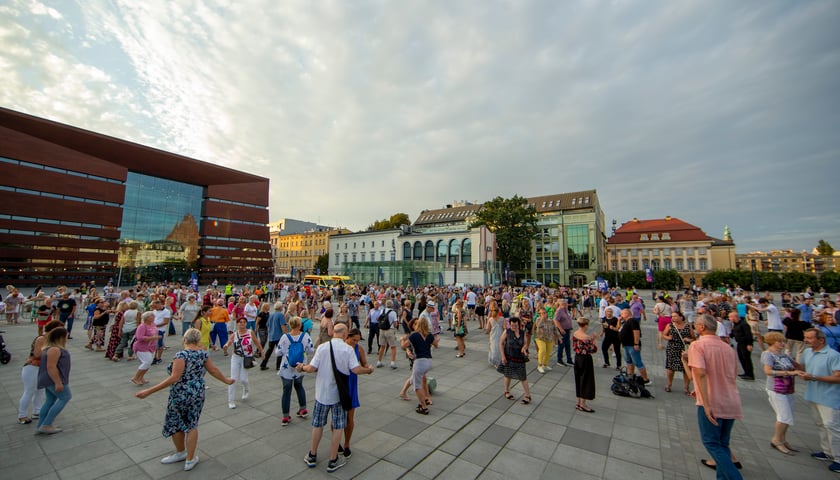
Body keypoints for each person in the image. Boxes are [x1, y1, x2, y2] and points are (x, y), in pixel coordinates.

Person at [135, 328, 234, 472]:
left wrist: (149, 391)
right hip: (197, 392)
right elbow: (213, 370)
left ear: (185, 339)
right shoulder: (202, 354)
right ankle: (189, 458)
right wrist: (226, 380)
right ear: (198, 340)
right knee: (192, 423)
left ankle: (183, 453)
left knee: (176, 421)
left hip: (180, 393)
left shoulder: (181, 355)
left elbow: (174, 377)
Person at [298, 323, 374, 473]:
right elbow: (356, 369)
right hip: (339, 395)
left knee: (317, 424)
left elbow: (312, 368)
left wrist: (302, 367)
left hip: (322, 393)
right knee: (338, 426)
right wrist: (369, 370)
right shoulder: (348, 349)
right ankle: (333, 460)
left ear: (334, 333)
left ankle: (312, 455)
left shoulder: (323, 347)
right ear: (345, 334)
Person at [685, 314, 744, 480]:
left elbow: (700, 374)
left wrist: (705, 401)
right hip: (731, 399)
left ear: (702, 327)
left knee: (711, 443)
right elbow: (731, 375)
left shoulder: (698, 345)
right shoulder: (728, 348)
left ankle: (735, 477)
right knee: (723, 444)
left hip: (711, 401)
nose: (695, 328)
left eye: (696, 325)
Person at [798, 328, 840, 473]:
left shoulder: (833, 355)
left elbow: (838, 377)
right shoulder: (808, 352)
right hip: (813, 395)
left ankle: (839, 458)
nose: (806, 340)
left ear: (821, 340)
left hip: (829, 398)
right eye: (805, 337)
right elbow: (802, 367)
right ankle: (827, 451)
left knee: (832, 427)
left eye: (809, 338)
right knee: (820, 424)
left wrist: (814, 377)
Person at [760, 332, 803, 455]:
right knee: (784, 416)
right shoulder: (768, 354)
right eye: (780, 341)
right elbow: (768, 371)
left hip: (788, 388)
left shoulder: (784, 355)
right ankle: (777, 440)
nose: (783, 344)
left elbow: (798, 366)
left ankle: (783, 439)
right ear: (772, 342)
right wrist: (789, 373)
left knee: (788, 416)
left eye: (783, 341)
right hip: (776, 388)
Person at [18, 320, 63, 425]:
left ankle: (37, 411)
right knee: (29, 391)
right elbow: (37, 354)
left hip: (42, 369)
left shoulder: (52, 340)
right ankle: (22, 415)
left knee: (40, 390)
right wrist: (52, 351)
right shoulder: (42, 338)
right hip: (33, 368)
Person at [277, 316, 315, 426]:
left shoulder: (285, 337)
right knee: (299, 386)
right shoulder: (305, 336)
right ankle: (303, 409)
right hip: (300, 365)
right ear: (300, 325)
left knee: (286, 391)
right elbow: (310, 350)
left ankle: (285, 416)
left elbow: (278, 352)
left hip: (287, 367)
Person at [36, 327, 72, 434]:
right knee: (65, 397)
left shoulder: (52, 348)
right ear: (61, 337)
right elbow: (51, 367)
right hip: (53, 379)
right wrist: (58, 382)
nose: (67, 338)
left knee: (50, 400)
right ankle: (47, 424)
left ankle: (41, 425)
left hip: (50, 379)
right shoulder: (54, 349)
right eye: (66, 336)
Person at [401, 315, 439, 414]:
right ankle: (422, 398)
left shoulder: (414, 335)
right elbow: (436, 345)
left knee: (417, 386)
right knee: (417, 379)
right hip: (429, 361)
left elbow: (403, 346)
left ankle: (424, 406)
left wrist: (402, 340)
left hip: (419, 362)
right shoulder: (430, 335)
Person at [224, 317, 263, 409]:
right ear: (237, 324)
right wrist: (226, 345)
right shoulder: (235, 334)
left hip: (246, 358)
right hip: (236, 358)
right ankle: (231, 400)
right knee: (233, 379)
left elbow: (256, 341)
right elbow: (229, 341)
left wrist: (262, 351)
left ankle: (246, 389)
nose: (242, 324)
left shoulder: (250, 332)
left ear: (246, 323)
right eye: (240, 322)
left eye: (244, 322)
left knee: (243, 379)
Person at [340, 328, 368, 458]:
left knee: (350, 417)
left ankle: (346, 444)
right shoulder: (341, 347)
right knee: (337, 416)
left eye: (357, 340)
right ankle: (337, 441)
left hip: (352, 382)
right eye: (353, 340)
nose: (355, 343)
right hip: (340, 382)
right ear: (347, 337)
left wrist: (368, 368)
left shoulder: (359, 348)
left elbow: (365, 363)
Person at [498, 317, 531, 405]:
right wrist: (502, 356)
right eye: (512, 325)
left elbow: (526, 343)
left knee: (523, 377)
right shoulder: (507, 332)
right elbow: (501, 343)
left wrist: (524, 348)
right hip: (509, 357)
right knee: (507, 374)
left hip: (519, 358)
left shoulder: (522, 332)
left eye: (515, 325)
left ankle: (527, 395)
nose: (513, 327)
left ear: (519, 325)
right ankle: (506, 391)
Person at [663, 311, 694, 394]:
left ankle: (686, 387)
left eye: (675, 316)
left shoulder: (688, 326)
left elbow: (694, 338)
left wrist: (689, 340)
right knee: (670, 368)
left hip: (684, 349)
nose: (673, 318)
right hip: (672, 348)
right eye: (672, 317)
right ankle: (669, 384)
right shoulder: (670, 326)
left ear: (681, 317)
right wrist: (667, 337)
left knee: (685, 368)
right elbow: (664, 335)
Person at [573, 317, 599, 412]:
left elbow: (579, 345)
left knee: (578, 378)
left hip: (577, 357)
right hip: (585, 359)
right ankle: (583, 404)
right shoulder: (586, 337)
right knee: (586, 380)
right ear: (586, 325)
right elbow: (593, 349)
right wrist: (595, 339)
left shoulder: (575, 333)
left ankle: (578, 401)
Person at [619, 308, 650, 383]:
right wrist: (619, 321)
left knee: (637, 362)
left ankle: (645, 379)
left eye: (622, 314)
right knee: (629, 361)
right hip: (625, 345)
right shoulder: (625, 322)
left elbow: (636, 332)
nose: (621, 315)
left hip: (632, 345)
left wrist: (636, 343)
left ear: (627, 314)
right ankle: (631, 375)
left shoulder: (632, 321)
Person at [132, 311, 161, 385]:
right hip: (142, 347)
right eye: (152, 316)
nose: (154, 318)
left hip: (151, 346)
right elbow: (139, 337)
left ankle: (141, 377)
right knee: (146, 362)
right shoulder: (142, 326)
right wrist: (152, 337)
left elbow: (155, 332)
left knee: (149, 362)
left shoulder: (153, 324)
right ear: (147, 318)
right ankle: (135, 377)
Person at [261, 301, 288, 370]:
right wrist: (286, 334)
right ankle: (278, 366)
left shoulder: (271, 314)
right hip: (279, 335)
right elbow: (283, 326)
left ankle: (263, 363)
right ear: (280, 307)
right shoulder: (281, 315)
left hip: (271, 335)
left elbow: (267, 325)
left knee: (269, 350)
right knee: (280, 350)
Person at [729, 311, 755, 381]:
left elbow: (749, 334)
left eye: (730, 317)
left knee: (746, 358)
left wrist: (750, 344)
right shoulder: (735, 324)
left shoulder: (744, 324)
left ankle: (750, 374)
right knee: (741, 358)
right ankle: (746, 372)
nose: (729, 318)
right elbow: (734, 332)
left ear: (735, 317)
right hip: (739, 343)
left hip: (745, 343)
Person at [376, 301, 399, 368]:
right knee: (393, 347)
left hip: (382, 329)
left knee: (382, 346)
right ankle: (392, 362)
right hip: (389, 330)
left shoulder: (382, 310)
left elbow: (378, 319)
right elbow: (395, 324)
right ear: (392, 305)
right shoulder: (393, 312)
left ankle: (379, 361)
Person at [533, 307, 556, 374]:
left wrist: (559, 338)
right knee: (542, 350)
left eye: (544, 313)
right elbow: (538, 326)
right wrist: (542, 318)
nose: (543, 314)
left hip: (549, 338)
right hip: (540, 338)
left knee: (548, 352)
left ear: (546, 313)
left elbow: (554, 329)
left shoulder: (551, 320)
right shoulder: (538, 319)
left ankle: (545, 365)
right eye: (541, 313)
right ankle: (540, 365)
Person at [554, 299, 573, 367]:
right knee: (561, 345)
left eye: (565, 303)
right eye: (563, 304)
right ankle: (559, 360)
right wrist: (560, 329)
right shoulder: (559, 311)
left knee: (567, 345)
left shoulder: (565, 310)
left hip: (567, 330)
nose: (565, 305)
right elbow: (556, 320)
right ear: (559, 304)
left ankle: (569, 359)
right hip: (562, 330)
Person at [486, 301, 503, 369]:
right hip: (498, 331)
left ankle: (496, 361)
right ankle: (498, 360)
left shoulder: (492, 314)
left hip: (494, 332)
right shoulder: (492, 312)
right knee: (498, 346)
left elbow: (488, 328)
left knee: (494, 346)